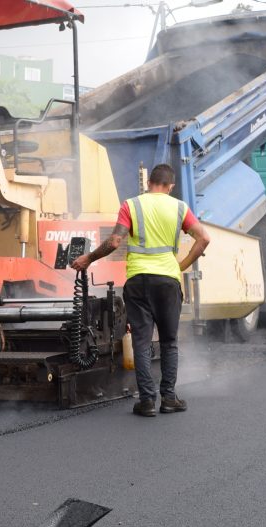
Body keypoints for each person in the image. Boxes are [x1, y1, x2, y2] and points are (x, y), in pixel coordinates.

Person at [71, 164, 211, 417]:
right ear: (171, 186)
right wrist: (181, 265)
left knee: (141, 342)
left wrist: (89, 258)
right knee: (169, 342)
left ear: (149, 184)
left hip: (137, 282)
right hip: (168, 281)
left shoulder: (131, 205)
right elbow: (204, 238)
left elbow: (115, 241)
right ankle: (169, 398)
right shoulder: (180, 208)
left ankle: (147, 400)